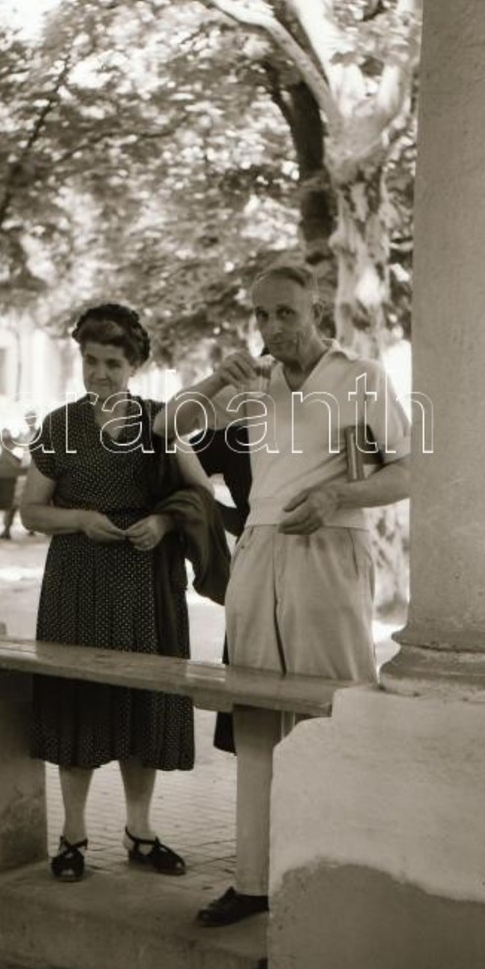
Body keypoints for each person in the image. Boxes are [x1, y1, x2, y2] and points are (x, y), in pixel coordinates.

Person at [155, 264, 411, 926]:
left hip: (331, 542)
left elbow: (409, 470)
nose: (272, 329)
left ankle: (343, 865)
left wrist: (337, 494)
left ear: (314, 308)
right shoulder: (250, 385)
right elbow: (165, 429)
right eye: (261, 315)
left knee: (332, 704)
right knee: (253, 710)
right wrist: (216, 380)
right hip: (259, 551)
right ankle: (252, 881)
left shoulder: (359, 377)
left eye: (285, 314)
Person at [20, 303, 227, 882]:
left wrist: (162, 524)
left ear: (135, 364)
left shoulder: (161, 422)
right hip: (76, 582)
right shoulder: (59, 427)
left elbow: (199, 497)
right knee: (76, 702)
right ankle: (73, 835)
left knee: (145, 703)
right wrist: (81, 519)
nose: (100, 373)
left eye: (113, 362)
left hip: (144, 582)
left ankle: (140, 831)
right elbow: (31, 511)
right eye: (91, 360)